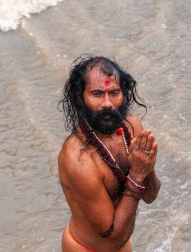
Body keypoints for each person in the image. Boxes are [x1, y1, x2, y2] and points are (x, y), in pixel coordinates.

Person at [58, 56, 161, 252]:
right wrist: (138, 174)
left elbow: (150, 196)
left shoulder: (131, 126)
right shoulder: (78, 159)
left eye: (114, 92)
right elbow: (113, 237)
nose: (108, 103)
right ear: (80, 97)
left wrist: (148, 167)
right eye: (97, 94)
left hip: (123, 243)